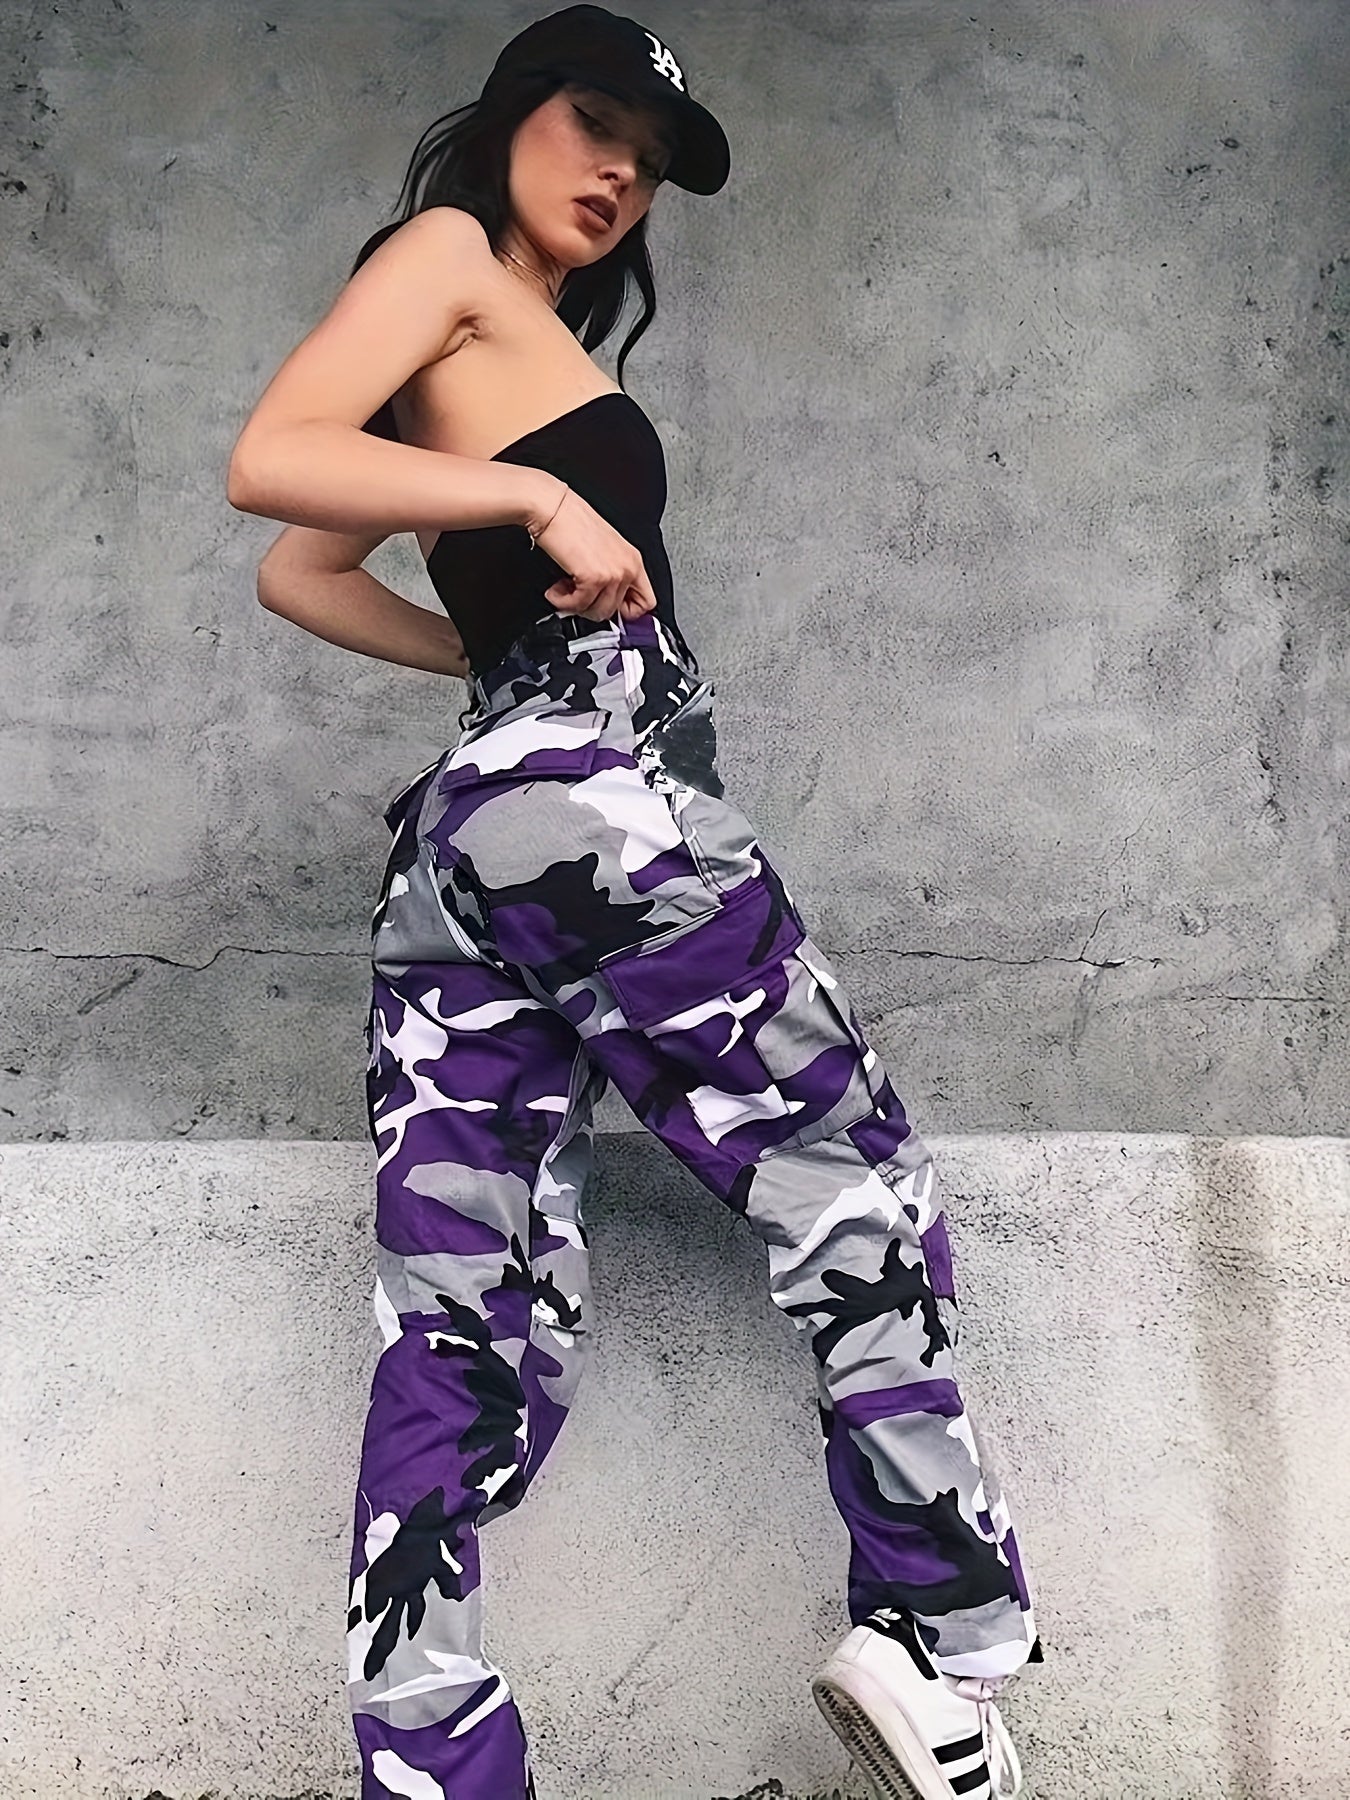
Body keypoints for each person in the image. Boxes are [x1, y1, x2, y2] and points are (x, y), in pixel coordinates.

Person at [225, 8, 1044, 1796]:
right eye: (595, 124)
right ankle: (934, 1640)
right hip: (595, 809)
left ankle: (432, 1765)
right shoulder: (447, 256)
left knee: (461, 1309)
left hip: (475, 834)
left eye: (649, 163)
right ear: (514, 111)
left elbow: (307, 576)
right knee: (853, 1187)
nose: (619, 174)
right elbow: (270, 463)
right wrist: (535, 501)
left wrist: (492, 663)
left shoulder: (495, 322)